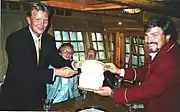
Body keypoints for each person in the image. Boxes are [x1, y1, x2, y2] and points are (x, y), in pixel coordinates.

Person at [0, 3, 78, 110]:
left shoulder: (48, 40)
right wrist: (57, 72)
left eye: (45, 20)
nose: (42, 24)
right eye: (38, 20)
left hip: (38, 96)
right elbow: (25, 71)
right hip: (16, 96)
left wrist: (74, 64)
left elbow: (56, 60)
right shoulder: (15, 39)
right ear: (28, 20)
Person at [95, 15, 180, 112]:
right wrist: (119, 71)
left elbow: (148, 91)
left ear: (168, 36)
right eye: (147, 35)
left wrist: (113, 93)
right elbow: (147, 71)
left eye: (155, 35)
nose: (148, 40)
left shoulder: (169, 60)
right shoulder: (165, 51)